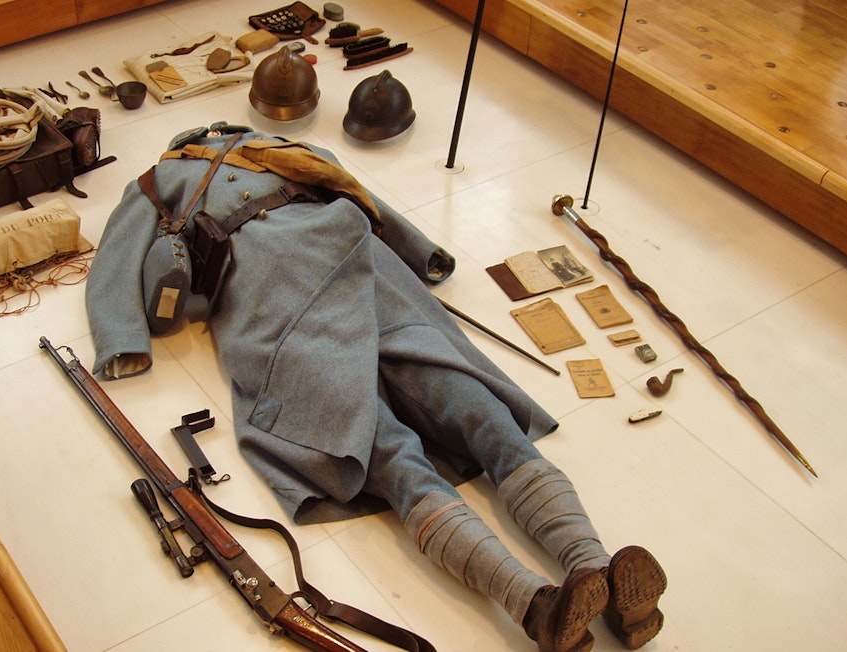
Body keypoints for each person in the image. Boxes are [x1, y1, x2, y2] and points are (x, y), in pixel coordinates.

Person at [85, 124, 667, 651]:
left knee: (478, 410)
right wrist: (122, 338)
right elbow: (115, 259)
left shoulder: (281, 147)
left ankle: (603, 572)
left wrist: (418, 252)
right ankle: (534, 606)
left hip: (365, 271)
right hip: (273, 313)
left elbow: (356, 191)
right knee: (381, 449)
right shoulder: (158, 182)